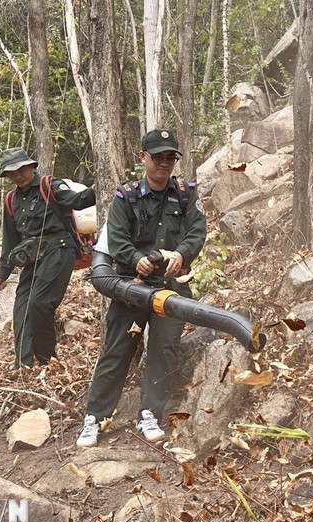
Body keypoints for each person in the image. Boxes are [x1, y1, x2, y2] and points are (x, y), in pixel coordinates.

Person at [77, 129, 206, 447]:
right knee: (117, 351)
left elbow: (197, 231)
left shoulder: (186, 194)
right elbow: (116, 238)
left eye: (170, 157)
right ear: (143, 158)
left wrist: (181, 253)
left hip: (171, 290)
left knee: (164, 350)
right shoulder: (127, 196)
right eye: (157, 156)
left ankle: (150, 413)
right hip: (130, 289)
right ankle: (95, 418)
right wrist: (137, 260)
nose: (164, 163)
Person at [0, 147, 96, 368]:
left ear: (31, 166)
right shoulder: (11, 200)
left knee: (39, 303)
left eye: (21, 169)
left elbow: (78, 200)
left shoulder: (50, 185)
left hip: (59, 249)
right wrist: (2, 273)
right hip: (31, 256)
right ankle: (23, 363)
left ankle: (46, 360)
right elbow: (10, 240)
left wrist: (97, 189)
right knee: (21, 307)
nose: (18, 175)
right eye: (12, 172)